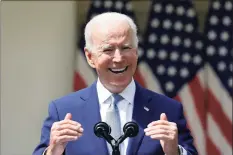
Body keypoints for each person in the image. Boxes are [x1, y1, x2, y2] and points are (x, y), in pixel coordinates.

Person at [33, 12, 198, 155]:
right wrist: (53, 151)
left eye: (126, 48)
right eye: (108, 50)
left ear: (136, 51)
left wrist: (174, 151)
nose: (118, 58)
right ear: (90, 57)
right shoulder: (63, 110)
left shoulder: (167, 110)